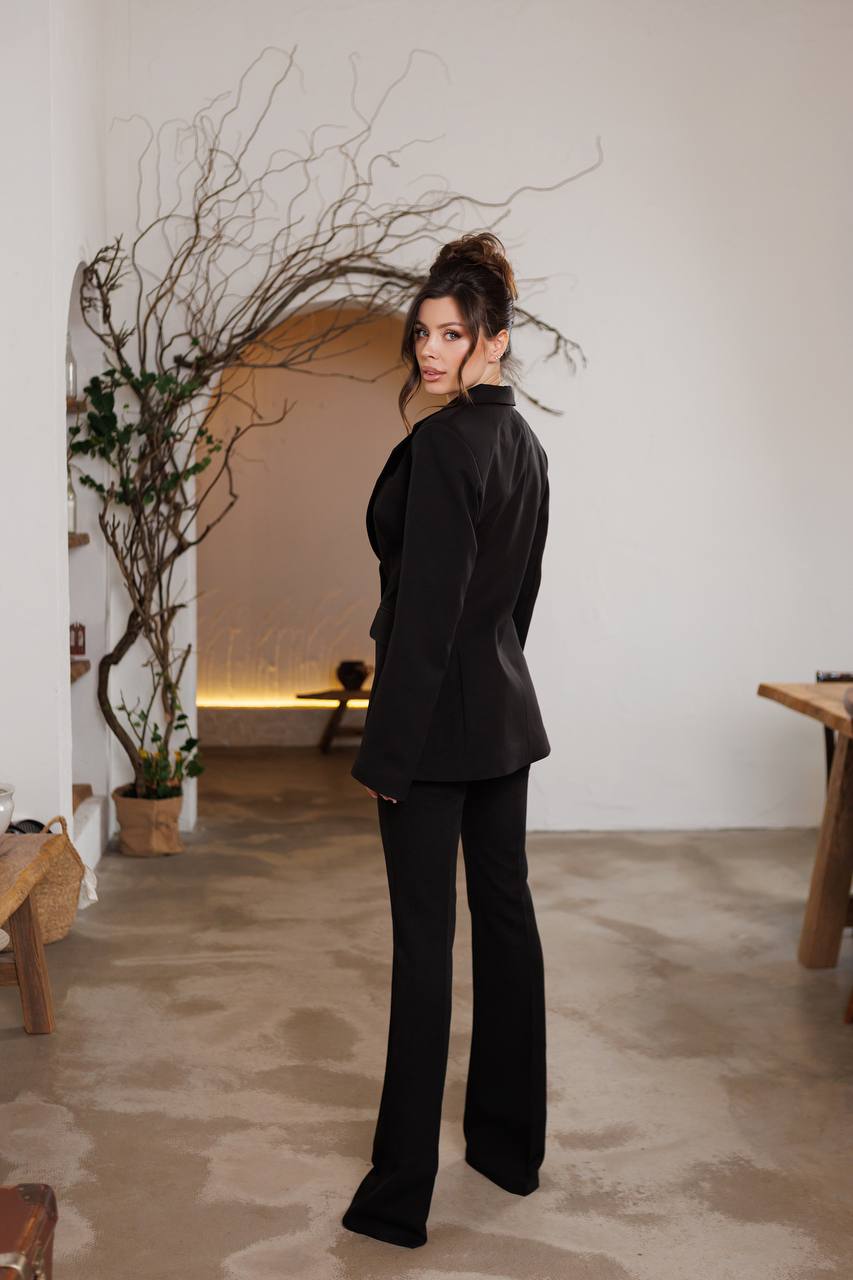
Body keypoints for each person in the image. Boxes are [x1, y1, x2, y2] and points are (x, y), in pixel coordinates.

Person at [342, 231, 551, 1249]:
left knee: (427, 948)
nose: (429, 351)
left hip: (430, 732)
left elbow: (424, 619)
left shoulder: (440, 447)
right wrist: (495, 688)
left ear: (493, 343)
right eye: (421, 333)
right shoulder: (526, 446)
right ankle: (509, 1149)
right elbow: (521, 603)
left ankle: (395, 1197)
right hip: (504, 718)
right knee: (505, 926)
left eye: (451, 335)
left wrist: (387, 753)